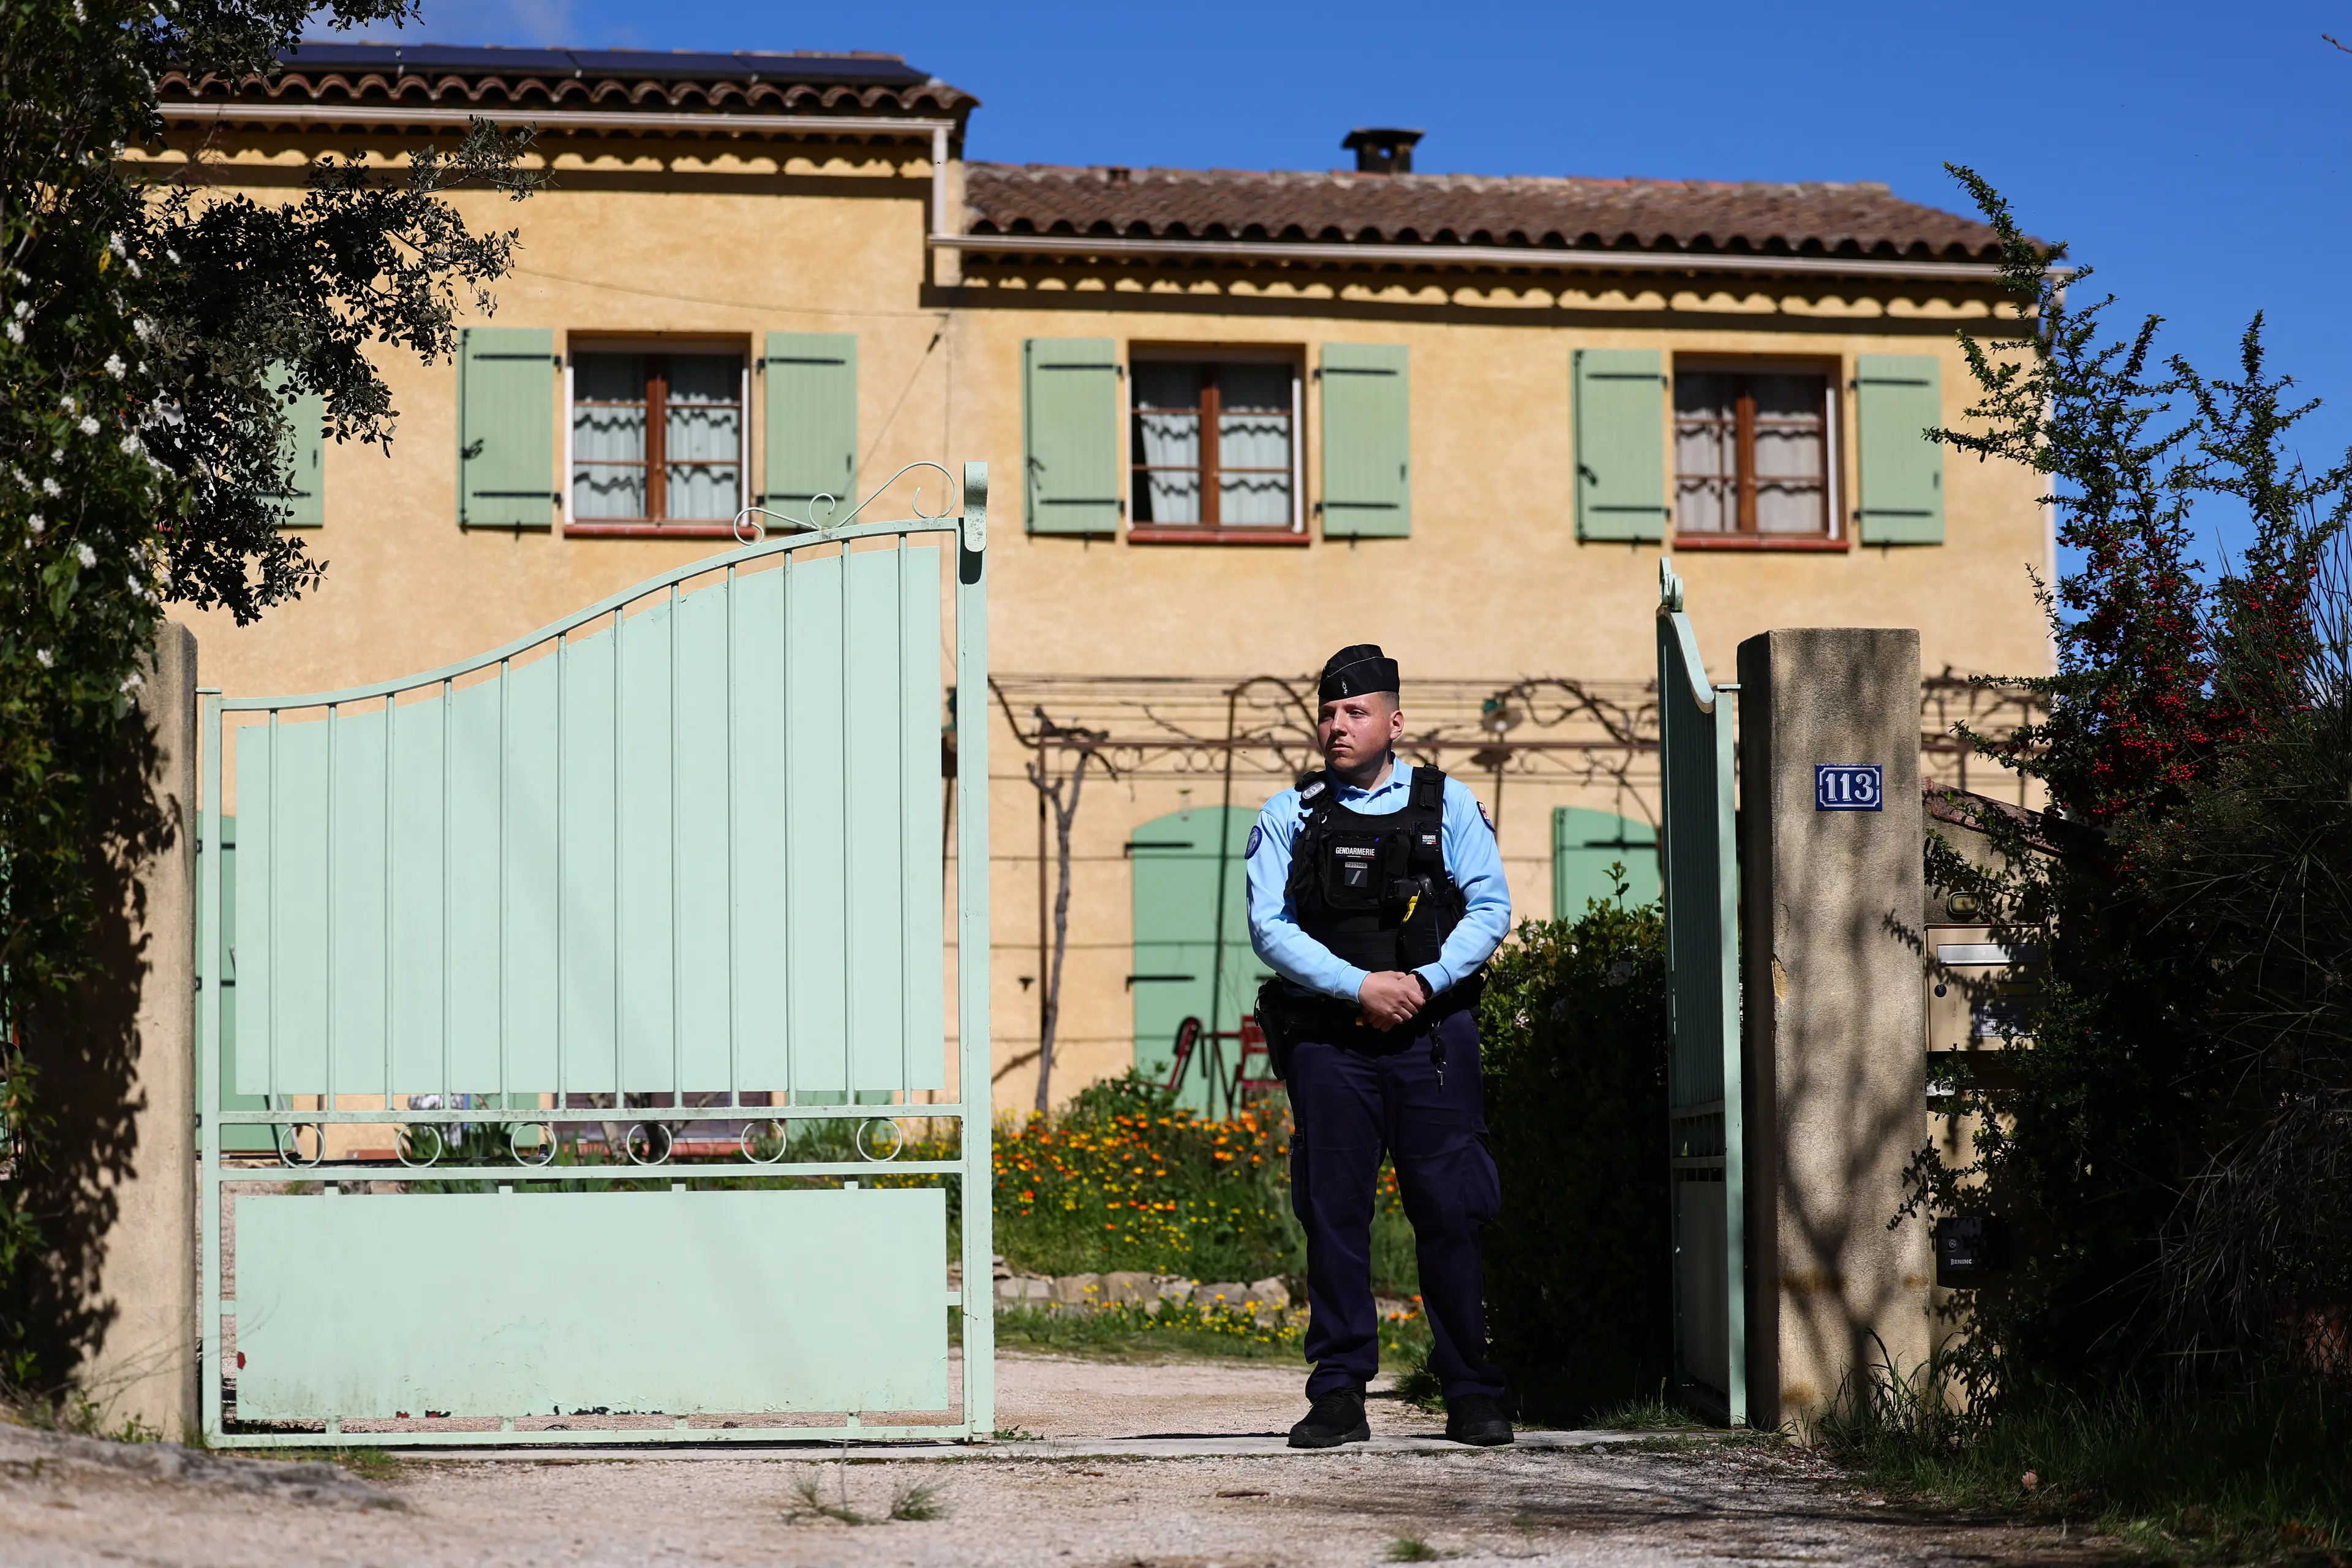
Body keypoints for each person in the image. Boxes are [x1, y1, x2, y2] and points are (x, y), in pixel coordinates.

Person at [1245, 644, 1514, 1449]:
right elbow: (1270, 929)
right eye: (1327, 712)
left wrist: (1422, 984)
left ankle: (1470, 1391)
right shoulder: (1287, 817)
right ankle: (1337, 1394)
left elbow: (1490, 908)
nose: (1337, 725)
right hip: (1331, 1043)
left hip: (1431, 1039)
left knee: (1453, 1213)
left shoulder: (1449, 805)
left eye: (1355, 712)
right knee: (1333, 1214)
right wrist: (1358, 987)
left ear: (1394, 722)